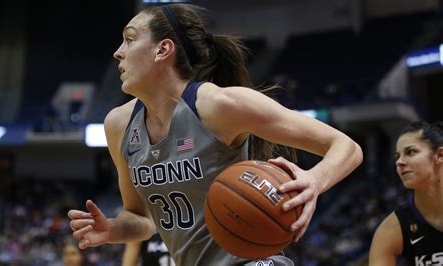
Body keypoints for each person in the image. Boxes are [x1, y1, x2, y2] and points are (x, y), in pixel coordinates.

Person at [67, 3, 363, 265]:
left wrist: (314, 180)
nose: (118, 52)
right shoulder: (118, 125)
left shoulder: (217, 105)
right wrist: (111, 230)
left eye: (130, 39)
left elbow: (346, 146)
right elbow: (143, 219)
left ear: (163, 49)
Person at [369, 121, 443, 265]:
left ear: (440, 155)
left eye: (410, 152)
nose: (399, 162)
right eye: (397, 156)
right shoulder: (391, 230)